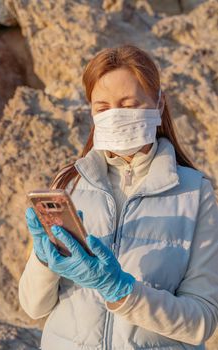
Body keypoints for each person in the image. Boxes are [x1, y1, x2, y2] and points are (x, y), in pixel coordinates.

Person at [18, 45, 218, 350]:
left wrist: (122, 291)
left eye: (129, 104)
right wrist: (45, 261)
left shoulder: (195, 192)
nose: (116, 116)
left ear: (159, 103)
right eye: (103, 107)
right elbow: (34, 308)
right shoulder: (68, 184)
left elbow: (202, 322)